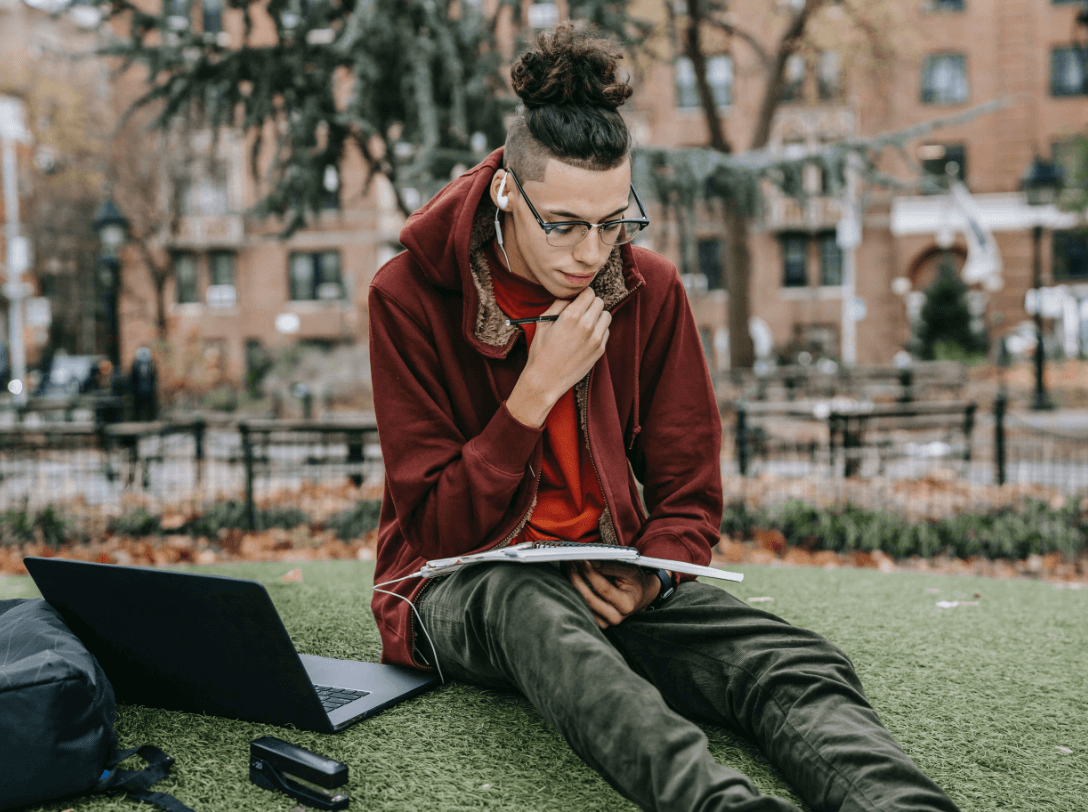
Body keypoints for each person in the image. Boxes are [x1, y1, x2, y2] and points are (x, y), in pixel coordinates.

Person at [368, 23, 960, 812]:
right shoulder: (405, 296)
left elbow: (688, 492)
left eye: (614, 221)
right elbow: (439, 532)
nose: (592, 252)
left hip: (613, 575)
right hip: (457, 587)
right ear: (507, 191)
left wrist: (649, 573)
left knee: (788, 658)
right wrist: (532, 394)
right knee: (525, 602)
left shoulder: (648, 286)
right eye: (565, 225)